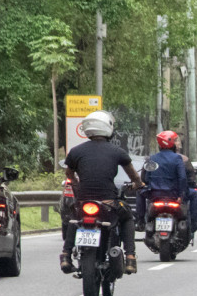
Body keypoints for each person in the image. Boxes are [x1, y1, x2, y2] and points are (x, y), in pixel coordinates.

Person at [60, 110, 143, 275]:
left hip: (83, 200)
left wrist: (77, 185)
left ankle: (66, 255)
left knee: (74, 219)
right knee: (127, 218)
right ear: (108, 128)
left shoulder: (76, 151)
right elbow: (133, 175)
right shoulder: (117, 151)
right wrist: (138, 184)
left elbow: (69, 174)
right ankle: (130, 257)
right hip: (108, 202)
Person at [136, 131, 194, 233]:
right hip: (173, 195)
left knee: (139, 192)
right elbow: (182, 178)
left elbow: (145, 178)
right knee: (195, 194)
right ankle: (194, 223)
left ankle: (140, 221)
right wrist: (181, 195)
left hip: (154, 196)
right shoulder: (177, 158)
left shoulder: (152, 158)